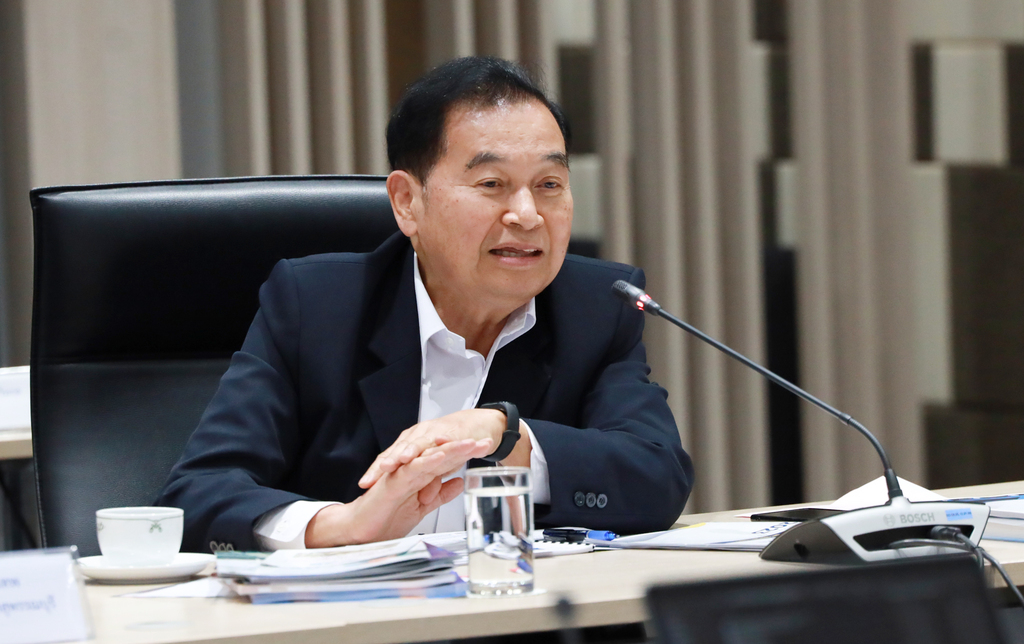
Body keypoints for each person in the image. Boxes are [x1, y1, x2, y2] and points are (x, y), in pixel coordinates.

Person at [158, 56, 694, 552]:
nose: (528, 214)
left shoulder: (595, 309)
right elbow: (197, 495)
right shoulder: (316, 307)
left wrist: (507, 437)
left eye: (549, 184)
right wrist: (341, 526)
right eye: (492, 183)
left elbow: (658, 476)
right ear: (407, 202)